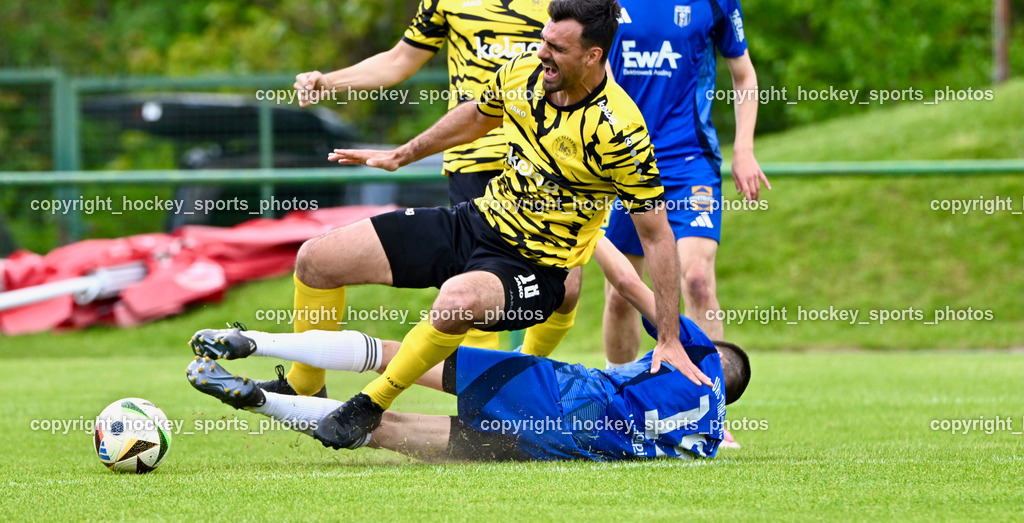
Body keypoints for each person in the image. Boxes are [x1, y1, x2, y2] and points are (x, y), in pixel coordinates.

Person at [234, 0, 707, 449]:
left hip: (536, 268)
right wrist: (404, 154)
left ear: (592, 56)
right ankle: (303, 385)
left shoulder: (619, 131)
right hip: (477, 220)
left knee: (455, 301)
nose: (542, 53)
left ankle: (369, 405)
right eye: (543, 40)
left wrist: (668, 338)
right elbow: (477, 116)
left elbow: (657, 236)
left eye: (556, 48)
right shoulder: (525, 69)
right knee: (317, 258)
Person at [277, 0, 578, 395]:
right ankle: (312, 390)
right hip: (476, 161)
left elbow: (589, 64)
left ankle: (515, 387)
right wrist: (329, 80)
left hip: (545, 157)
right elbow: (398, 61)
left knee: (566, 287)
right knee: (485, 290)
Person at [186, 239, 752, 461]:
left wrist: (590, 229)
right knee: (383, 429)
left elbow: (632, 286)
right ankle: (262, 402)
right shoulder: (706, 438)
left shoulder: (699, 354)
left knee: (395, 354)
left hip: (568, 392)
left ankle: (253, 342)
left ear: (714, 359)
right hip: (568, 447)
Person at [594, 0, 769, 374]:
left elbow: (744, 76)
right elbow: (589, 75)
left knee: (696, 280)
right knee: (620, 295)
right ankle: (622, 404)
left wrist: (744, 150)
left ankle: (709, 406)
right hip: (622, 163)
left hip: (689, 159)